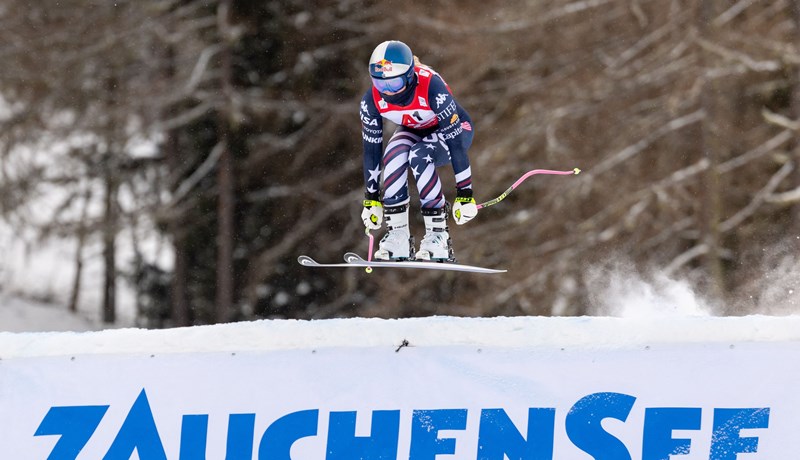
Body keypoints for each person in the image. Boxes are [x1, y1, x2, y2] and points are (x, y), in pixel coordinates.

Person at [359, 40, 478, 262]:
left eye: (394, 84)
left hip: (455, 131)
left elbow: (455, 143)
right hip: (416, 129)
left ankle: (438, 236)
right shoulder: (371, 101)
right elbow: (371, 150)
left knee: (419, 155)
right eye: (379, 83)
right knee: (394, 152)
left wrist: (465, 195)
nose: (387, 92)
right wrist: (371, 199)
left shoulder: (432, 88)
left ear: (409, 76)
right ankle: (398, 236)